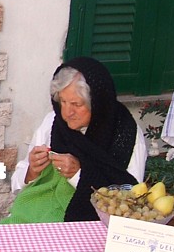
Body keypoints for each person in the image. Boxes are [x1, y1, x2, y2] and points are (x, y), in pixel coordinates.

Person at [8, 56, 147, 222]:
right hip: (37, 215)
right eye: (63, 102)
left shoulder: (126, 135)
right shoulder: (53, 122)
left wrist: (79, 174)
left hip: (92, 227)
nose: (67, 112)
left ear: (97, 103)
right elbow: (16, 184)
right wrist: (32, 171)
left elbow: (131, 198)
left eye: (76, 104)